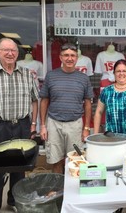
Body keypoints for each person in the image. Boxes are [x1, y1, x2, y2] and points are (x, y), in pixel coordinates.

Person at [0, 37, 39, 212]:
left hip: (22, 125)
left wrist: (33, 124)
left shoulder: (27, 74)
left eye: (14, 51)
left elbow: (35, 100)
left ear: (18, 54)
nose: (10, 54)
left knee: (19, 168)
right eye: (6, 50)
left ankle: (14, 201)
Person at [39, 43, 94, 174]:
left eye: (73, 56)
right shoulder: (51, 76)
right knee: (56, 160)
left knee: (75, 160)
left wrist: (86, 128)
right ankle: (58, 191)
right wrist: (43, 125)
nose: (69, 58)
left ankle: (73, 191)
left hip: (75, 124)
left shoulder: (83, 78)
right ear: (60, 57)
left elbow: (88, 103)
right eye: (66, 55)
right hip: (54, 124)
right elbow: (44, 100)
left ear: (76, 58)